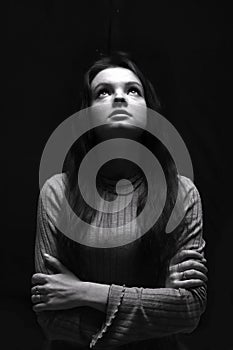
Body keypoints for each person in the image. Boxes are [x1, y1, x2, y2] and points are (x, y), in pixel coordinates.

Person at [31, 52, 208, 350]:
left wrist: (84, 292)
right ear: (86, 115)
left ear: (149, 112)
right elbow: (50, 318)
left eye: (132, 90)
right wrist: (157, 306)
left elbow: (189, 311)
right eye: (103, 92)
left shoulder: (182, 193)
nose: (119, 98)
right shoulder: (56, 193)